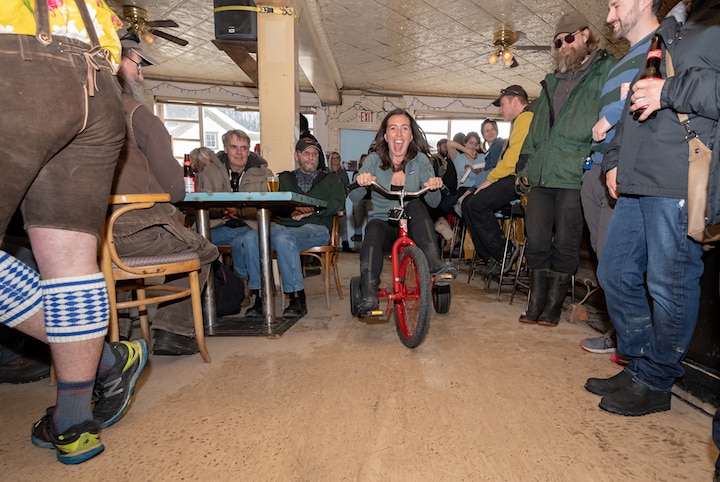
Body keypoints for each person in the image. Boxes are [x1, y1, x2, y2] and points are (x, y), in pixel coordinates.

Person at [0, 1, 147, 464]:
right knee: (69, 265)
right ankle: (73, 420)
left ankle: (106, 360)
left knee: (66, 264)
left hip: (16, 62)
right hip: (98, 81)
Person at [585, 0, 717, 417]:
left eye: (614, 3)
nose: (609, 14)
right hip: (638, 177)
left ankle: (657, 380)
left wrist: (670, 92)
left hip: (679, 176)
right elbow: (634, 106)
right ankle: (641, 363)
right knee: (614, 271)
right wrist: (614, 159)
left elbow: (672, 93)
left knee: (669, 284)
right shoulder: (670, 33)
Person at [111, 32, 219, 356]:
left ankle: (119, 333)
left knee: (111, 268)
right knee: (204, 249)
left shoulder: (77, 108)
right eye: (137, 64)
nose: (141, 75)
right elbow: (174, 189)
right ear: (115, 60)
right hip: (134, 230)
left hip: (93, 234)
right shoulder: (137, 114)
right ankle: (173, 330)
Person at [516, 11, 616, 327]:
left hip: (576, 174)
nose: (563, 46)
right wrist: (524, 167)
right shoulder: (550, 82)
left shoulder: (606, 73)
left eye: (568, 38)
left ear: (586, 35)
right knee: (536, 240)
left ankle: (553, 308)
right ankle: (535, 305)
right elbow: (534, 133)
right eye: (558, 42)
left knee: (566, 242)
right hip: (542, 173)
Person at [579, 0, 661, 361]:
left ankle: (637, 352)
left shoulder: (665, 44)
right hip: (599, 170)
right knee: (606, 262)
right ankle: (620, 333)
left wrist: (613, 115)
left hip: (631, 173)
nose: (609, 16)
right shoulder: (619, 62)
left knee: (623, 266)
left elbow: (656, 92)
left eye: (615, 5)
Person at [348, 109, 457, 316]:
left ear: (411, 135)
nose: (399, 134)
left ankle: (434, 263)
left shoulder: (421, 161)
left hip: (414, 226)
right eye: (393, 128)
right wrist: (361, 181)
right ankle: (369, 291)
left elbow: (433, 203)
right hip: (384, 224)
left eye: (404, 128)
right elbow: (354, 197)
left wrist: (433, 185)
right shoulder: (374, 159)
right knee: (372, 230)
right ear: (386, 135)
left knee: (415, 204)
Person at [240, 137, 345, 318]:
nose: (311, 158)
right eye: (306, 153)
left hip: (317, 228)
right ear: (297, 155)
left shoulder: (330, 179)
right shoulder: (284, 178)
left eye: (314, 154)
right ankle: (261, 296)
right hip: (285, 226)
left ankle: (297, 297)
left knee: (284, 240)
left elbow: (339, 203)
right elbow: (272, 204)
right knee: (251, 237)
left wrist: (313, 210)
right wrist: (292, 210)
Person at [461, 85, 533, 274]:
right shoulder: (520, 121)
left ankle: (506, 251)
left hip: (518, 178)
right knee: (467, 203)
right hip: (512, 175)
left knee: (475, 204)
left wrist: (490, 179)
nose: (501, 110)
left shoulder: (526, 118)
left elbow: (513, 159)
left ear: (515, 101)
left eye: (502, 105)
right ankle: (492, 255)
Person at [198, 130, 272, 287]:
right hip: (218, 225)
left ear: (249, 149)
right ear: (225, 148)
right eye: (234, 147)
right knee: (194, 243)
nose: (239, 152)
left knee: (243, 242)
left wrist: (240, 212)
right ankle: (204, 289)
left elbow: (270, 208)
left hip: (250, 225)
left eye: (244, 148)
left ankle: (243, 284)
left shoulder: (264, 174)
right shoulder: (210, 172)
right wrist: (222, 210)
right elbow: (201, 203)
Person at [328, 151, 352, 252]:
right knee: (329, 222)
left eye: (337, 158)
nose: (335, 160)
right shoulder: (326, 172)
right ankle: (329, 243)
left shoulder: (343, 173)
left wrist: (345, 194)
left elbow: (348, 186)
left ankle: (345, 243)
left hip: (340, 202)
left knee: (342, 222)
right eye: (333, 158)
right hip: (328, 202)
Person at [351, 153, 372, 247]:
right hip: (359, 199)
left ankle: (370, 240)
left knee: (371, 216)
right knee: (356, 206)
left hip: (370, 199)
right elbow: (354, 190)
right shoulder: (356, 174)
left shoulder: (373, 173)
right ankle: (358, 238)